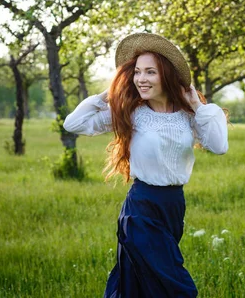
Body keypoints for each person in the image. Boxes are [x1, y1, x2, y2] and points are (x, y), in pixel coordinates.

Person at [63, 33, 229, 298]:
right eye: (137, 72)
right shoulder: (132, 112)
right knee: (174, 285)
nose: (141, 78)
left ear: (167, 74)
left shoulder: (189, 115)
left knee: (143, 282)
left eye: (150, 72)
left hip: (173, 206)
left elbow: (219, 146)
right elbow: (72, 124)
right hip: (140, 208)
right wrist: (108, 94)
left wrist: (197, 105)